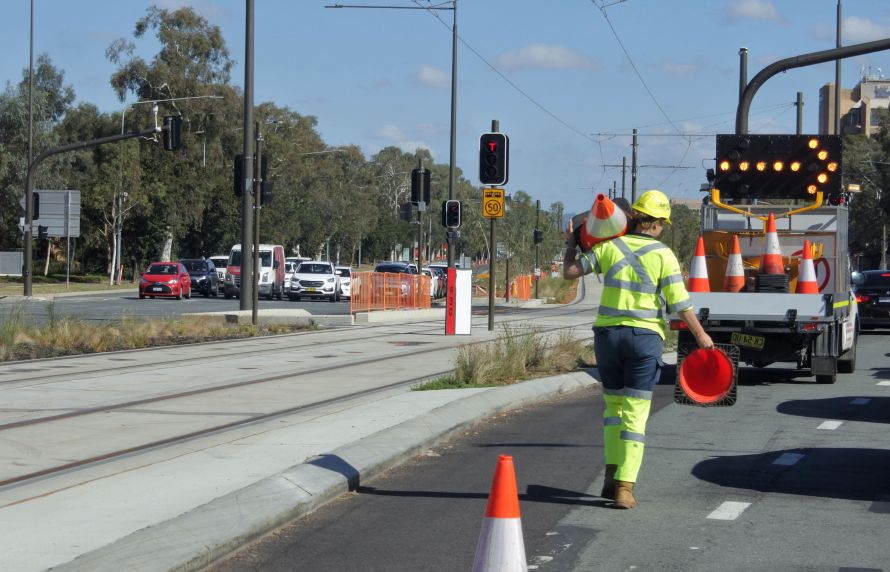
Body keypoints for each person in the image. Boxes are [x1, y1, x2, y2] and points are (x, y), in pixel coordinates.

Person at [563, 189, 714, 509]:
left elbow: (570, 273)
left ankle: (610, 476)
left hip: (608, 339)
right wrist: (701, 336)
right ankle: (624, 488)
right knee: (635, 415)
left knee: (613, 412)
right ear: (658, 223)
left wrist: (570, 244)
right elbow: (680, 305)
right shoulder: (664, 255)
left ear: (635, 218)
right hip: (644, 341)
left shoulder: (609, 247)